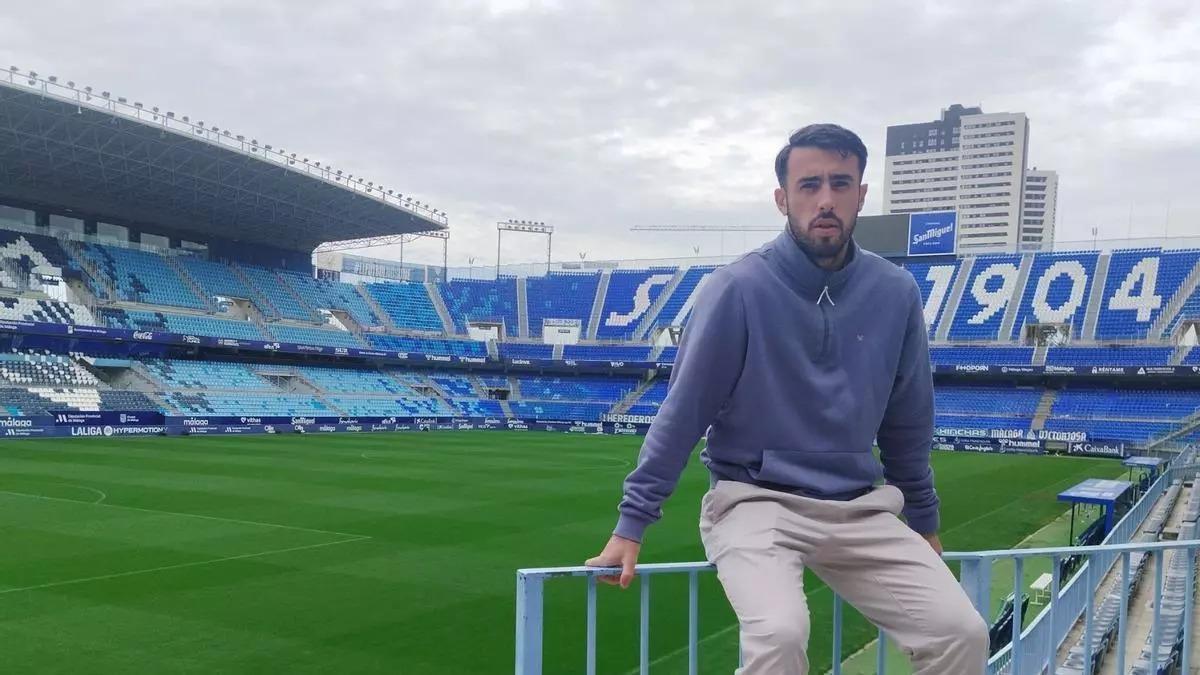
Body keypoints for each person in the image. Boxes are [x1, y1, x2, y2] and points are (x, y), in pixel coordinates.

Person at [585, 124, 989, 674]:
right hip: (753, 502)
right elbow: (684, 413)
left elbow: (907, 421)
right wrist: (631, 525)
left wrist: (923, 520)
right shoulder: (737, 288)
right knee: (780, 634)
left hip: (858, 508)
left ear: (862, 196)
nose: (825, 200)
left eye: (841, 184)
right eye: (810, 185)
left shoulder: (895, 293)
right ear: (783, 198)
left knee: (961, 632)